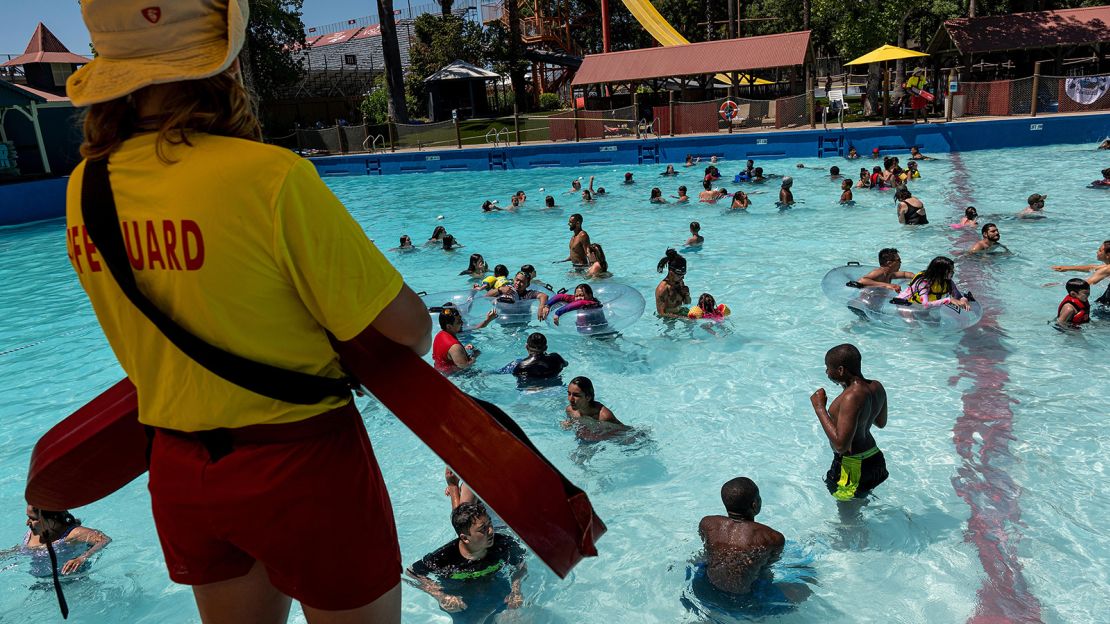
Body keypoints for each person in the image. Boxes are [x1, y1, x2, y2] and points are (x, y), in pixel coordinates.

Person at [62, 1, 434, 620]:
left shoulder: (85, 187)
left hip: (181, 470)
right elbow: (411, 333)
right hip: (302, 464)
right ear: (222, 62)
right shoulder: (271, 178)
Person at [407, 502, 526, 618]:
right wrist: (441, 596)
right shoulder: (444, 557)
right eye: (483, 529)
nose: (491, 531)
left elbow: (521, 566)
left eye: (490, 524)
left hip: (495, 587)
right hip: (461, 599)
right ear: (465, 538)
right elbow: (411, 573)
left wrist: (516, 590)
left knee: (515, 618)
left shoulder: (504, 544)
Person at [810, 344, 889, 501]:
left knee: (848, 521)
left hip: (853, 465)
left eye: (828, 368)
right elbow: (881, 422)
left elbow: (841, 445)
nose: (826, 372)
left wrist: (819, 408)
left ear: (840, 370)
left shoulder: (851, 397)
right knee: (859, 502)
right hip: (874, 459)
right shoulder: (876, 386)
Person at [697, 478, 784, 594]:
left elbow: (708, 548)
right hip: (743, 597)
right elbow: (767, 566)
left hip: (705, 587)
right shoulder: (771, 537)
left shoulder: (707, 523)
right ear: (755, 505)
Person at [20, 507, 111, 578]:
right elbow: (26, 549)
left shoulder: (72, 534)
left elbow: (104, 539)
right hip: (42, 582)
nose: (27, 523)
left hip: (73, 579)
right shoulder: (34, 532)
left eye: (32, 518)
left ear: (50, 520)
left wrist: (82, 558)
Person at [433, 307, 496, 372]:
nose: (462, 323)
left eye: (461, 319)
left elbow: (446, 355)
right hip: (454, 376)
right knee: (488, 372)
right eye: (458, 322)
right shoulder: (455, 347)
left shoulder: (440, 335)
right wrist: (475, 355)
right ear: (449, 326)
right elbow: (465, 367)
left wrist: (462, 349)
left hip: (440, 371)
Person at [895, 256, 971, 310]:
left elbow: (958, 296)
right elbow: (925, 305)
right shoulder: (924, 283)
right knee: (915, 327)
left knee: (935, 325)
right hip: (906, 305)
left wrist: (963, 300)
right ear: (940, 272)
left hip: (925, 307)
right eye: (950, 270)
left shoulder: (948, 282)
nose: (953, 272)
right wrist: (949, 300)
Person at [1052, 239, 1110, 306]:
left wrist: (1060, 284)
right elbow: (1093, 268)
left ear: (1108, 255)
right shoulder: (1107, 267)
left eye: (1100, 250)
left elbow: (1084, 285)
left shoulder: (1107, 269)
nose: (1097, 252)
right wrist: (1067, 268)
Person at [655, 249, 691, 318]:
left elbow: (687, 303)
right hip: (668, 319)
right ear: (671, 273)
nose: (683, 277)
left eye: (684, 274)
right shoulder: (662, 290)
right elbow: (661, 313)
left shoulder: (679, 282)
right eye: (680, 275)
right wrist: (682, 318)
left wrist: (687, 294)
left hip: (680, 312)